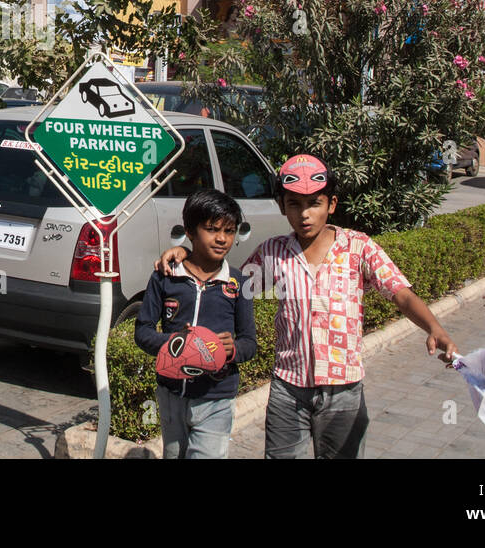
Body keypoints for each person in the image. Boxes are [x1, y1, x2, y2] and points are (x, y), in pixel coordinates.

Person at [157, 153, 458, 459]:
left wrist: (434, 327)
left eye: (314, 203)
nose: (304, 214)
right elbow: (229, 284)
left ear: (332, 204)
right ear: (282, 206)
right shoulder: (274, 253)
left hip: (344, 391)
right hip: (288, 391)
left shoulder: (358, 247)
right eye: (294, 204)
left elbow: (399, 292)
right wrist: (186, 253)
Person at [135, 188, 256, 459]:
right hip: (170, 394)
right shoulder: (165, 277)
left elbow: (249, 343)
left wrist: (231, 350)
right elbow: (142, 332)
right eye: (212, 229)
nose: (222, 238)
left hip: (217, 396)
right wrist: (179, 346)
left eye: (229, 230)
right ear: (190, 231)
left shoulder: (239, 284)